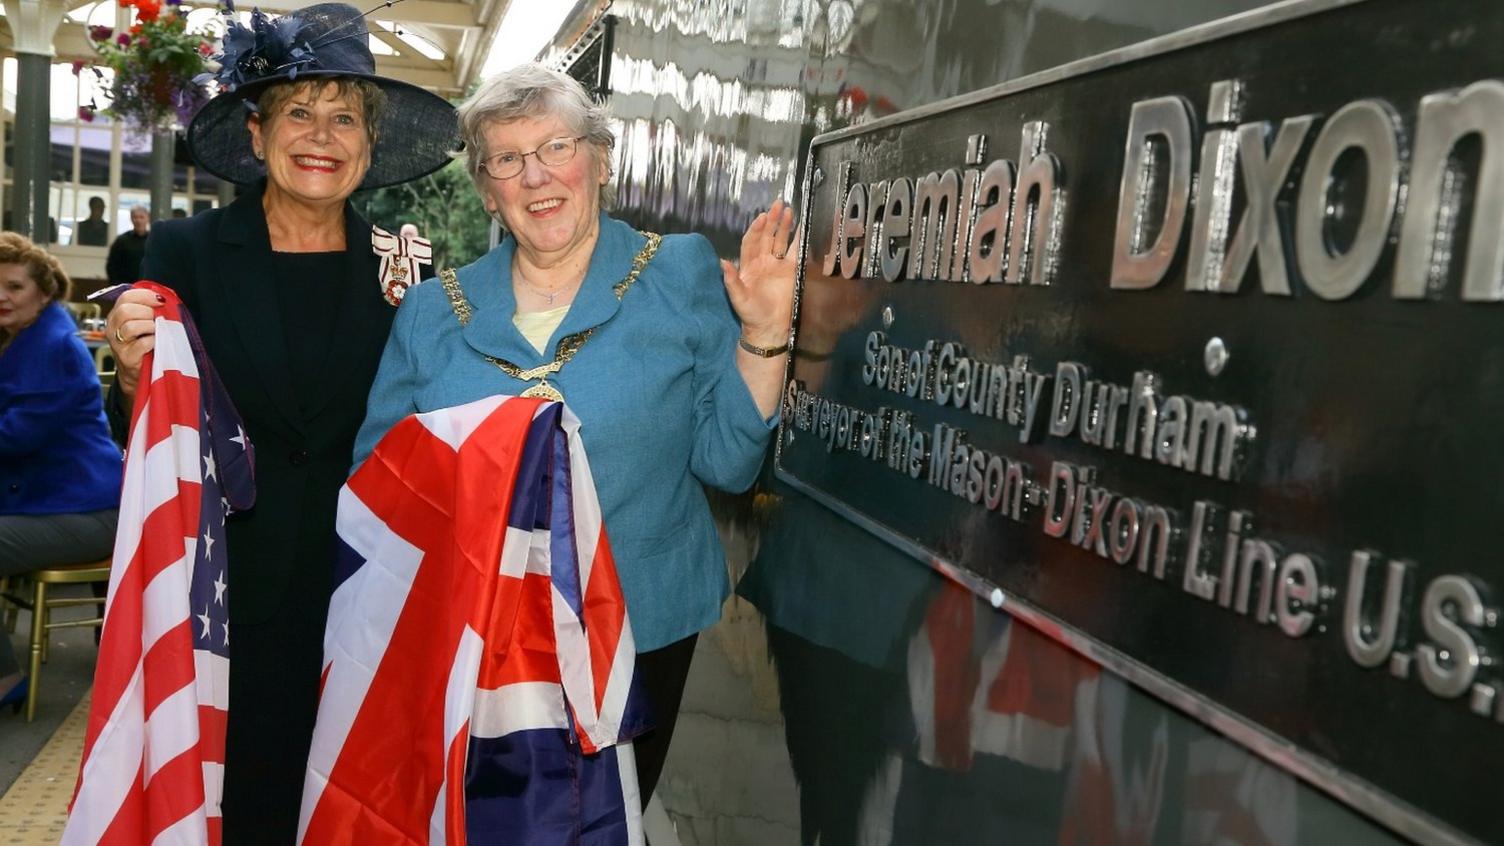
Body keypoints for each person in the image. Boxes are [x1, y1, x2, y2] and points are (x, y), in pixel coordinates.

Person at [353, 62, 795, 806]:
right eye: (507, 159)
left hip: (639, 625)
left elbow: (727, 462)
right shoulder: (431, 312)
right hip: (475, 640)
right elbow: (379, 484)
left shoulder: (679, 273)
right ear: (487, 188)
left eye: (557, 147)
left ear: (599, 161)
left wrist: (763, 334)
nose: (536, 176)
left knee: (603, 820)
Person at [102, 4, 457, 840]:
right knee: (238, 808)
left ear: (368, 148)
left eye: (345, 117)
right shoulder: (186, 253)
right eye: (298, 110)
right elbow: (156, 432)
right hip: (227, 598)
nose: (320, 134)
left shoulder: (409, 268)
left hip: (362, 599)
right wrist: (128, 371)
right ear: (257, 136)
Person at [0, 232, 122, 714]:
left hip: (88, 510)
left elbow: (17, 438)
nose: (1, 296)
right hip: (49, 498)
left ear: (45, 292)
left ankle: (5, 676)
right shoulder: (22, 338)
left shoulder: (54, 345)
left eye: (14, 286)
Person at [104, 205, 149, 285]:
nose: (138, 221)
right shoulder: (122, 240)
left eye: (141, 217)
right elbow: (112, 265)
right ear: (131, 219)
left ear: (147, 218)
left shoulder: (152, 240)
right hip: (125, 287)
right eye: (135, 217)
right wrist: (117, 285)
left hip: (147, 287)